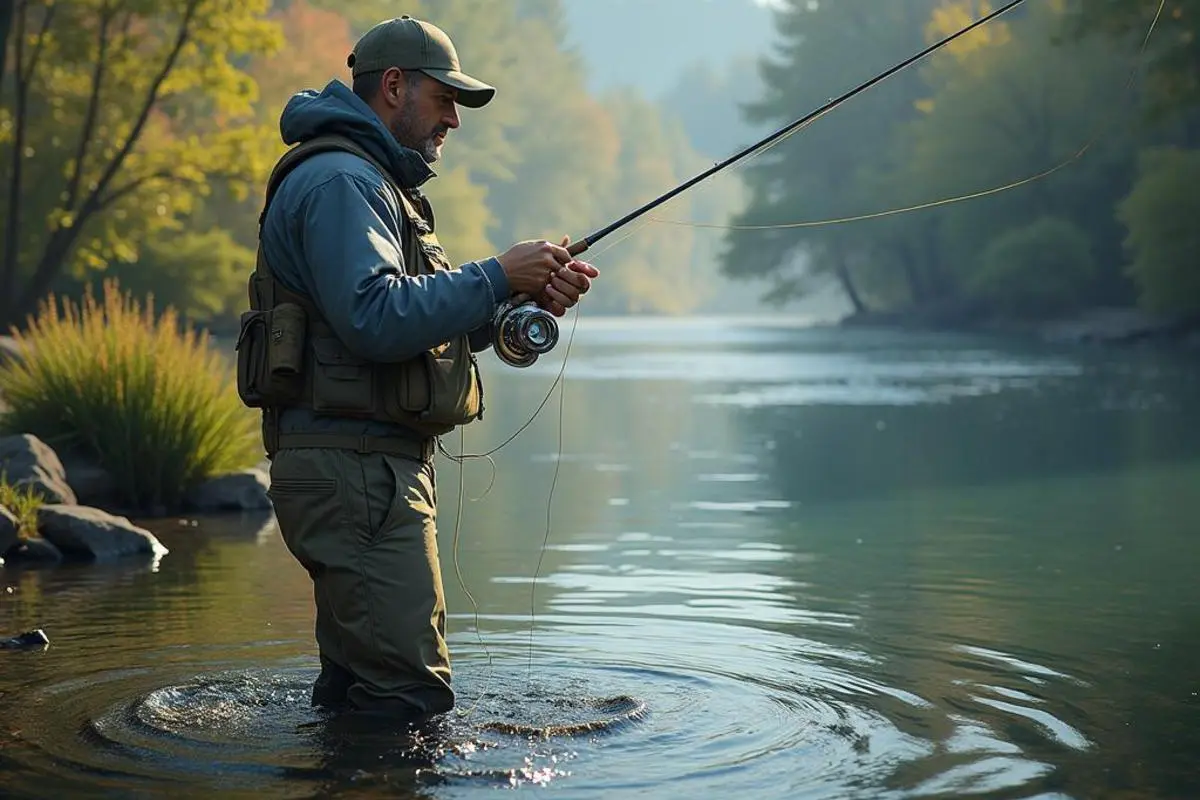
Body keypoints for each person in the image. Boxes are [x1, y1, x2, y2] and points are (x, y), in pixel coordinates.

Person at [247, 15, 599, 718]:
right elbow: (375, 317)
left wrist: (513, 303)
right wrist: (497, 274)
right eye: (445, 99)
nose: (453, 121)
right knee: (408, 697)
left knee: (358, 689)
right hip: (356, 475)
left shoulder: (369, 181)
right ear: (394, 86)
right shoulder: (344, 182)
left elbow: (401, 322)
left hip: (359, 468)